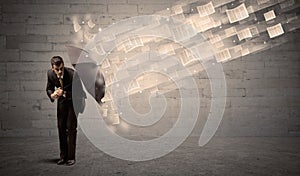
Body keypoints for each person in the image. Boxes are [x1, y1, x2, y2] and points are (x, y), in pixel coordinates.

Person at [46, 56, 85, 166]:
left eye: (61, 69)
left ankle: (71, 158)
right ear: (52, 68)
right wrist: (52, 95)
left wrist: (63, 93)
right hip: (62, 104)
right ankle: (63, 157)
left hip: (74, 103)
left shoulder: (73, 74)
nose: (59, 71)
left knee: (71, 129)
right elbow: (48, 88)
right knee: (61, 128)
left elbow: (80, 93)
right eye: (57, 69)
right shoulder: (50, 74)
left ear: (63, 65)